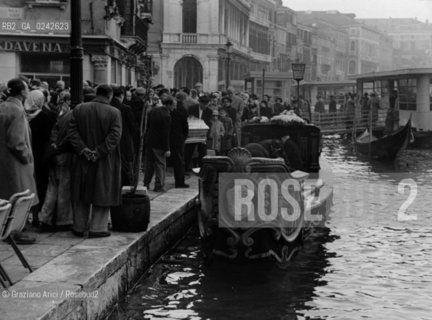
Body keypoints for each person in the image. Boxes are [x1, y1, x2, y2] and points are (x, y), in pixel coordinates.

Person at [68, 84, 122, 238]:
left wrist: (83, 149)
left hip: (82, 158)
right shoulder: (114, 112)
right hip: (104, 160)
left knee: (81, 191)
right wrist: (98, 152)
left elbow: (71, 132)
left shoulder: (79, 109)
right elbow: (115, 136)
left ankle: (79, 226)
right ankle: (98, 228)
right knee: (102, 192)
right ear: (109, 96)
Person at [0, 78, 38, 244]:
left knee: (8, 196)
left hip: (4, 161)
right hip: (17, 163)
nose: (28, 91)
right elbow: (16, 141)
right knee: (19, 196)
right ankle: (15, 232)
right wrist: (27, 156)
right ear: (22, 92)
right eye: (26, 89)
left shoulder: (4, 106)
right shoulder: (16, 110)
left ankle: (7, 229)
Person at [38, 93, 74, 231]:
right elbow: (70, 136)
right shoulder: (69, 115)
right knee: (64, 188)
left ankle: (45, 217)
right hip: (64, 154)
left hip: (54, 154)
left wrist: (54, 146)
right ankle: (63, 220)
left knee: (52, 188)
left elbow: (54, 133)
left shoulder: (60, 115)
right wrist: (59, 147)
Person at [25, 89, 58, 226]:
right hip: (41, 156)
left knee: (27, 186)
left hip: (26, 154)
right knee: (41, 185)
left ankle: (26, 216)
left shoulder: (22, 115)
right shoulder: (48, 116)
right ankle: (38, 216)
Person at [143, 95, 174, 192]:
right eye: (173, 105)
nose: (174, 107)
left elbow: (147, 126)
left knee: (149, 165)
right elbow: (165, 134)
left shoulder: (154, 111)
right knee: (160, 165)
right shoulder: (167, 116)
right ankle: (159, 185)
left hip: (150, 141)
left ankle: (146, 183)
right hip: (159, 144)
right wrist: (167, 148)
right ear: (168, 105)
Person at [111, 86, 137, 186]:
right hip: (124, 142)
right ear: (122, 95)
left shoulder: (108, 107)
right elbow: (133, 127)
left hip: (110, 142)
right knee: (125, 168)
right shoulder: (125, 108)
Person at [185, 94, 213, 171]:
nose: (205, 106)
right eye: (203, 104)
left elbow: (209, 123)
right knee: (189, 151)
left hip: (202, 134)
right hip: (192, 133)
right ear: (199, 102)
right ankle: (186, 168)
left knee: (203, 152)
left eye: (206, 104)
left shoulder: (209, 111)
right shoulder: (192, 109)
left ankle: (202, 168)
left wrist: (206, 135)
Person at [171, 92, 189, 188]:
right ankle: (180, 182)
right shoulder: (182, 109)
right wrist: (184, 136)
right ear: (184, 99)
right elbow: (185, 126)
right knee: (180, 160)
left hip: (171, 136)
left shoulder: (173, 107)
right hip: (179, 137)